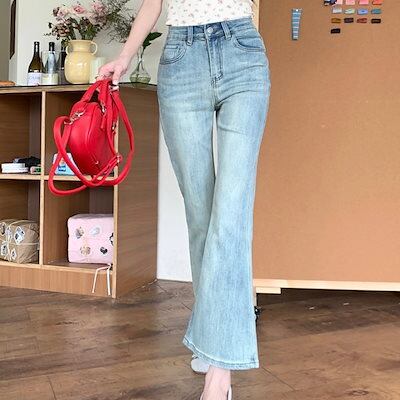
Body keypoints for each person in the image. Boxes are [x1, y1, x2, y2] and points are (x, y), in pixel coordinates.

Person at [98, 1, 270, 399]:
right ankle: (212, 336)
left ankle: (219, 376)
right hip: (181, 60)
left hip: (242, 52)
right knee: (202, 218)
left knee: (230, 218)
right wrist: (124, 56)